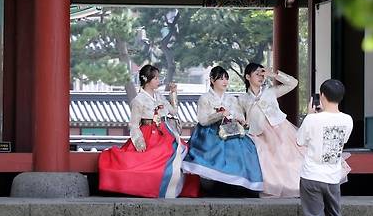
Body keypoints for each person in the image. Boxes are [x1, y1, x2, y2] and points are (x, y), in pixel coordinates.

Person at [98, 64, 199, 198]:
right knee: (146, 162)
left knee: (180, 153)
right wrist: (139, 143)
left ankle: (176, 187)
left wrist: (173, 93)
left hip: (164, 132)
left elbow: (173, 111)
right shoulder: (138, 100)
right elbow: (134, 124)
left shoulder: (159, 97)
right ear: (147, 79)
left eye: (158, 78)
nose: (159, 81)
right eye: (156, 78)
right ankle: (153, 188)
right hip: (147, 134)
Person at [296, 79, 359, 216]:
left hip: (311, 176)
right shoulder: (348, 120)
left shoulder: (312, 120)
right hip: (333, 177)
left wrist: (309, 115)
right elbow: (344, 141)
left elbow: (299, 141)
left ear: (321, 96)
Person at [182, 66, 264, 193]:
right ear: (212, 80)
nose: (225, 81)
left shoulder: (231, 98)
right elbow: (203, 120)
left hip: (230, 129)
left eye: (226, 78)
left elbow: (239, 115)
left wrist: (240, 120)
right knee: (218, 148)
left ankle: (237, 183)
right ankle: (215, 184)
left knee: (245, 148)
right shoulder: (205, 98)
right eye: (221, 78)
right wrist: (220, 115)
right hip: (209, 131)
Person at [238, 63, 305, 197]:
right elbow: (239, 117)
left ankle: (296, 187)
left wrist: (274, 74)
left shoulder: (270, 91)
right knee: (267, 163)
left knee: (289, 158)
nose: (261, 77)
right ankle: (274, 188)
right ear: (247, 77)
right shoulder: (242, 99)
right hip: (258, 134)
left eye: (262, 74)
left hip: (280, 129)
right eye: (257, 74)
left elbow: (293, 83)